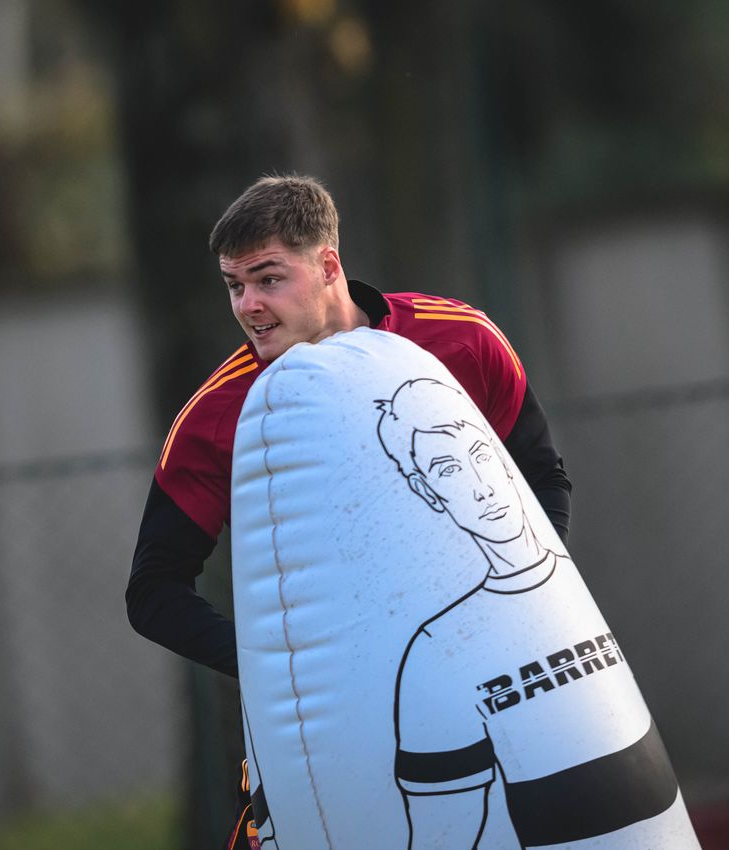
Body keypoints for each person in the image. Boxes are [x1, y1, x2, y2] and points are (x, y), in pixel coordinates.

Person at [125, 174, 571, 846]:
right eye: (233, 286)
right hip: (333, 737)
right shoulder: (216, 416)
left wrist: (515, 620)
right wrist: (284, 666)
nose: (248, 305)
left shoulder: (460, 341)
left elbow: (543, 479)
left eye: (268, 278)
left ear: (328, 264)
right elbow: (153, 590)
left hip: (482, 684)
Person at [375, 378, 684, 849]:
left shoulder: (570, 590)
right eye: (448, 469)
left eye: (480, 456)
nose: (481, 487)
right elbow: (445, 832)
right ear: (427, 489)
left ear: (502, 457)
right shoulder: (437, 647)